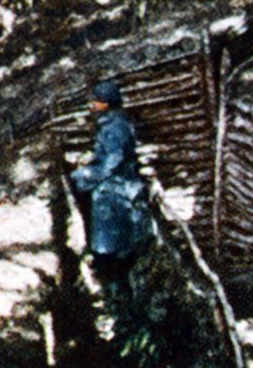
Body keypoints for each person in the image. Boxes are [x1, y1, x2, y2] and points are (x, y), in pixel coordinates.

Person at [70, 79, 153, 339]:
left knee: (113, 248)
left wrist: (90, 175)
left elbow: (114, 161)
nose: (92, 104)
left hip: (118, 189)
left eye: (95, 100)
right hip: (115, 184)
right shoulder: (111, 123)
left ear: (105, 103)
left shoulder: (115, 126)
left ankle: (121, 307)